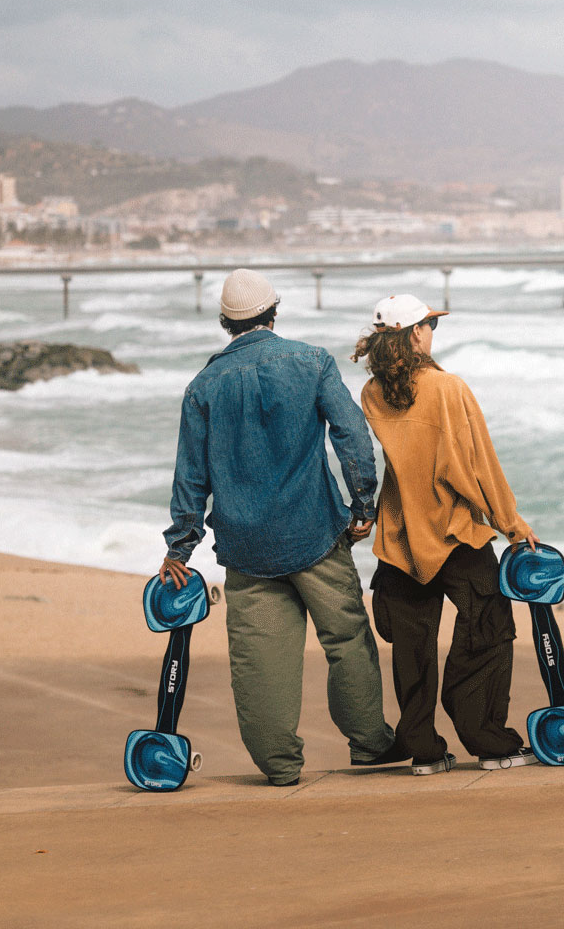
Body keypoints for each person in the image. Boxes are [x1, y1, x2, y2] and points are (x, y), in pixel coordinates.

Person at [160, 269, 399, 787]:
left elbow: (190, 477)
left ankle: (280, 766)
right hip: (315, 532)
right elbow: (352, 434)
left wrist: (180, 548)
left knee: (258, 659)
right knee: (347, 640)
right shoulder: (311, 361)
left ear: (226, 322)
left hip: (246, 546)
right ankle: (370, 743)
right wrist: (364, 504)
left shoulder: (203, 386)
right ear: (274, 312)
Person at [351, 293, 540, 775]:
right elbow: (479, 465)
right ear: (416, 333)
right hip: (455, 533)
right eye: (431, 324)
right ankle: (488, 740)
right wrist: (511, 525)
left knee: (412, 652)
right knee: (490, 628)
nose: (433, 331)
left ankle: (424, 751)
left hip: (400, 540)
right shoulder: (449, 388)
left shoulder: (372, 394)